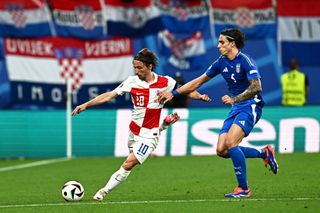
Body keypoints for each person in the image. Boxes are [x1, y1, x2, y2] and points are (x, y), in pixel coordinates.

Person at [72, 48, 211, 201]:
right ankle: (163, 125)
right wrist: (86, 104)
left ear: (150, 66)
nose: (136, 70)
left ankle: (102, 192)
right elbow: (109, 95)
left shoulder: (165, 81)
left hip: (149, 135)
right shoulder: (131, 82)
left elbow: (185, 90)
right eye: (135, 67)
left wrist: (200, 96)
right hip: (133, 131)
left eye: (139, 67)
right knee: (128, 163)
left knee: (129, 163)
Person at [158, 28, 279, 198]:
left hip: (251, 105)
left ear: (232, 43)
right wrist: (174, 93)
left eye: (222, 42)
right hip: (236, 107)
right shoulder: (220, 62)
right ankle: (264, 153)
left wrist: (234, 99)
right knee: (222, 150)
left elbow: (257, 87)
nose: (218, 45)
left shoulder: (245, 61)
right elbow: (197, 82)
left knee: (231, 143)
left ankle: (243, 189)